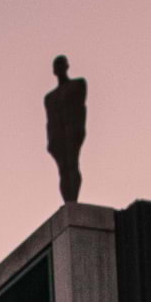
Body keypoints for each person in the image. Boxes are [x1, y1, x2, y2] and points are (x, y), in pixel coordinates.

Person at [44, 54, 87, 203]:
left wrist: (78, 130)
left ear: (67, 66)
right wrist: (50, 141)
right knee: (63, 170)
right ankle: (69, 202)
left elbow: (81, 108)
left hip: (72, 131)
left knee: (72, 165)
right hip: (58, 136)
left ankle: (73, 200)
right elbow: (49, 121)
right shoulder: (50, 98)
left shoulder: (78, 85)